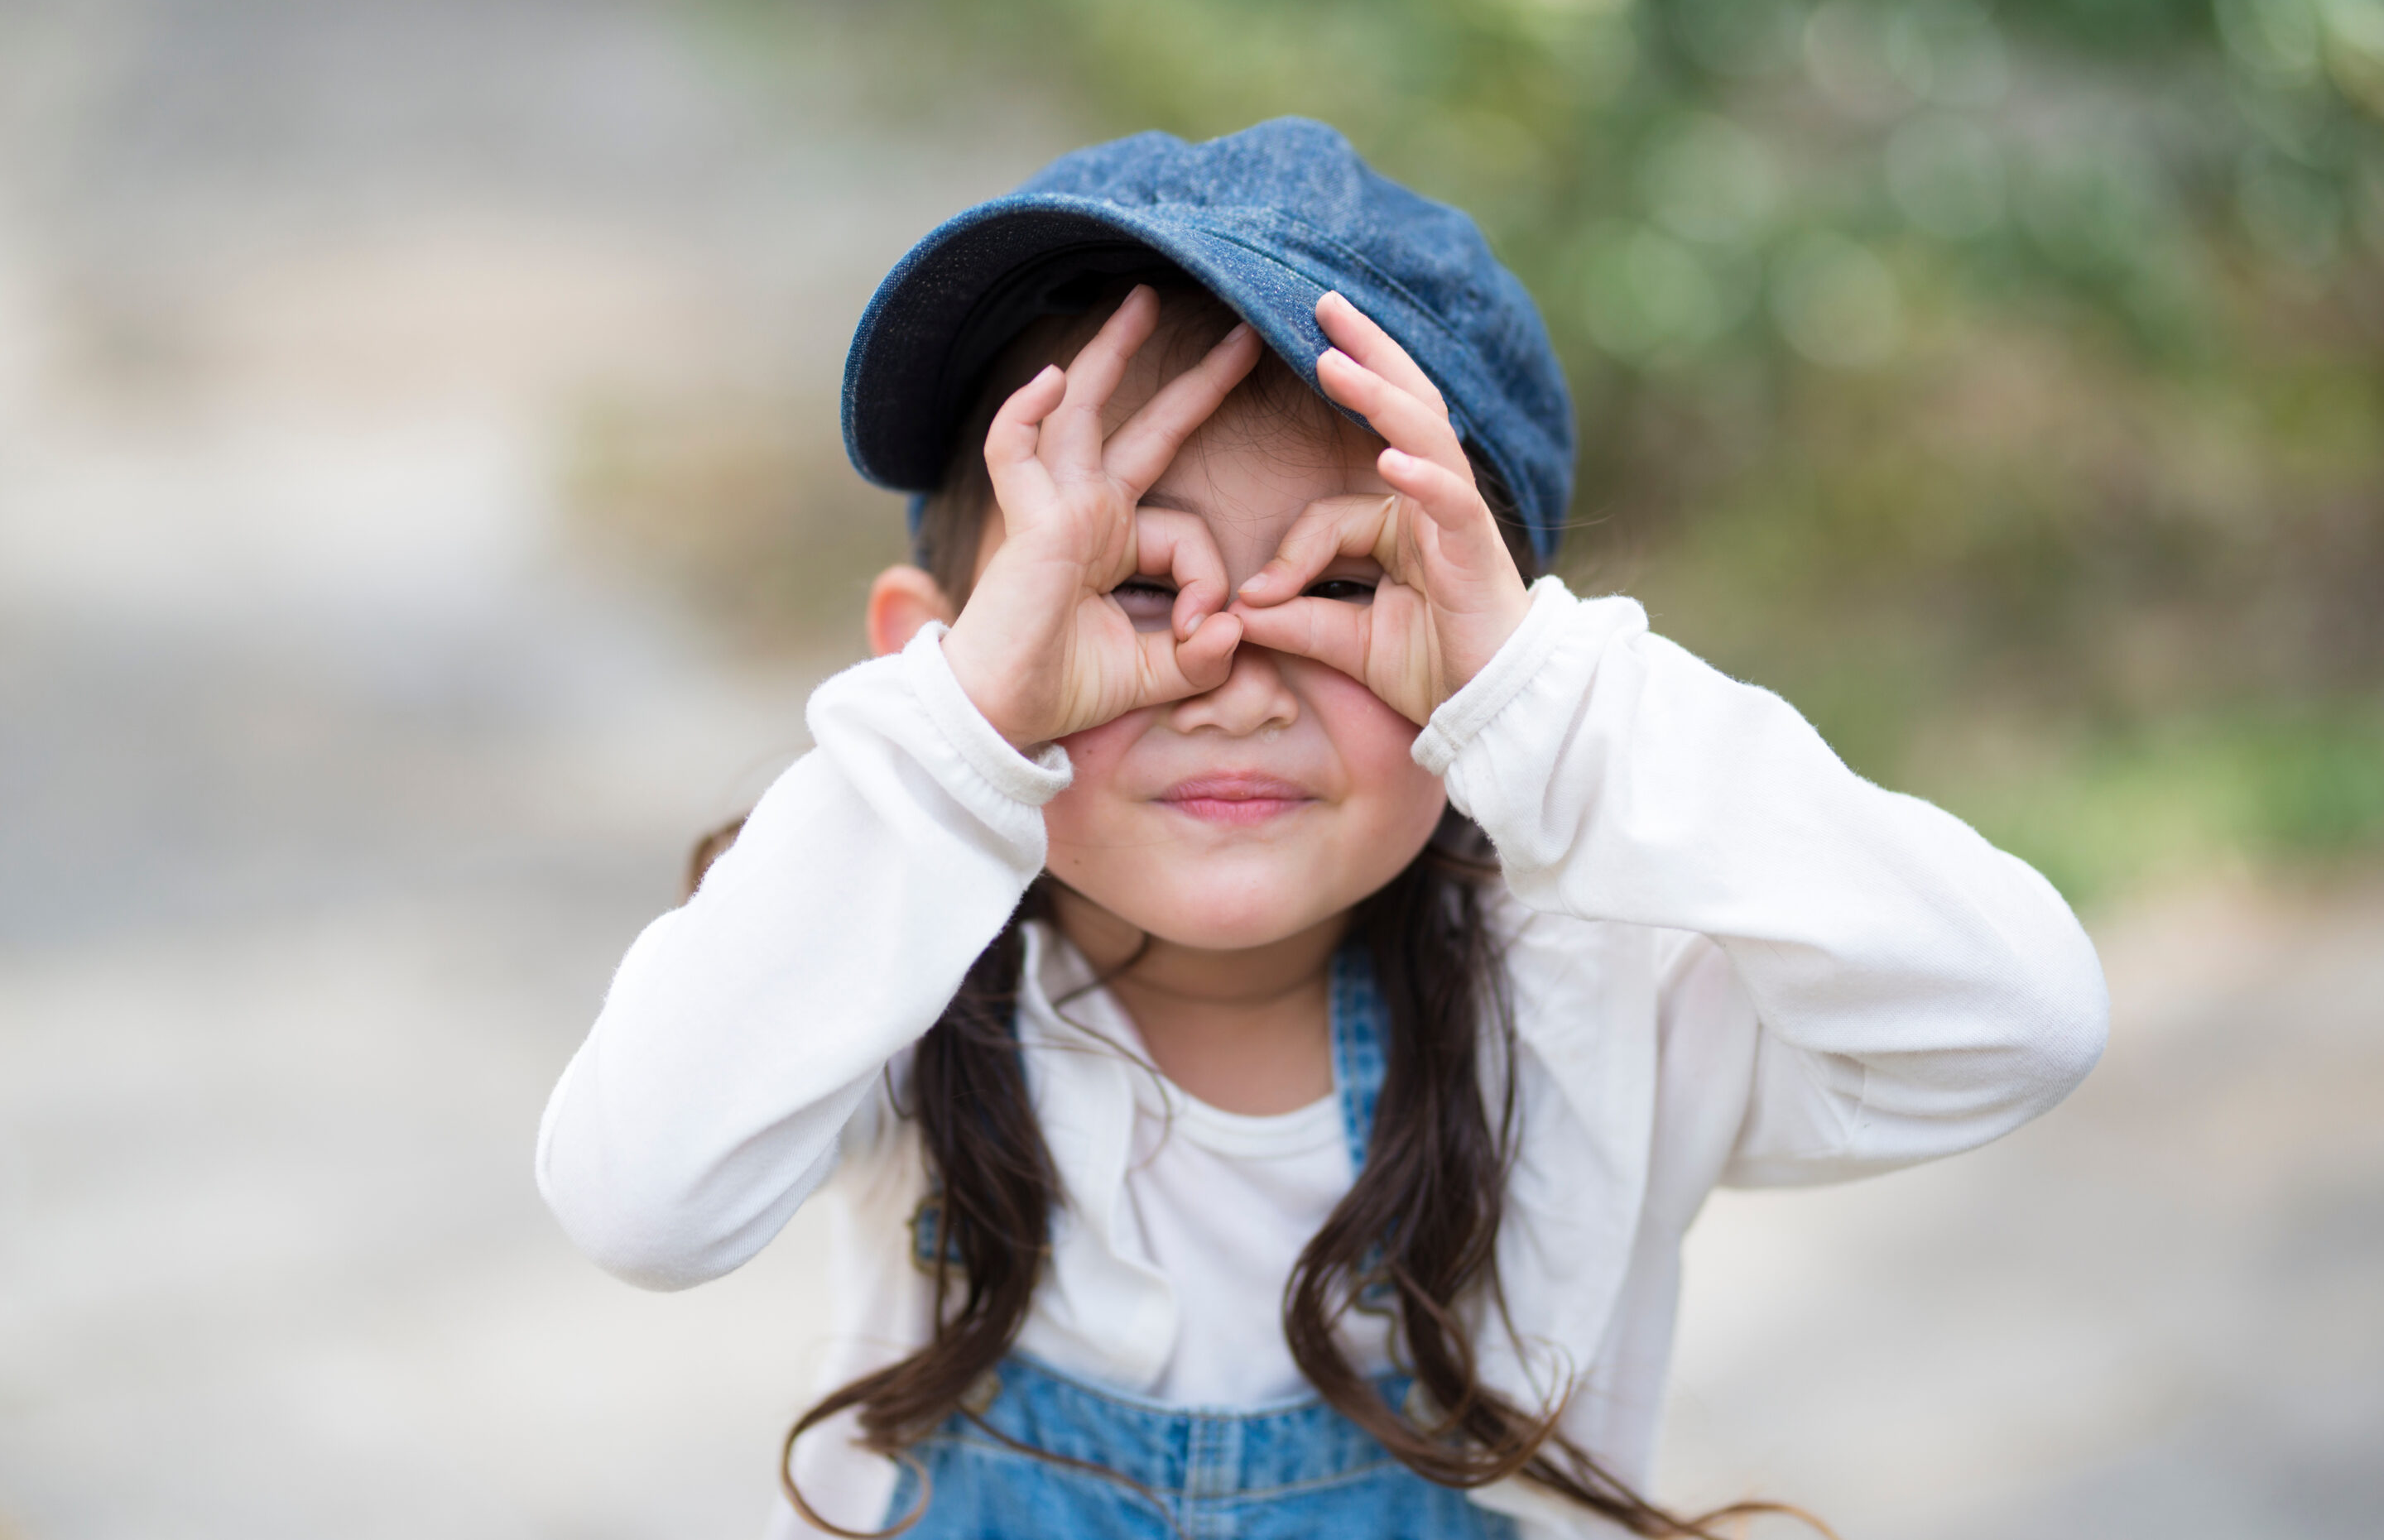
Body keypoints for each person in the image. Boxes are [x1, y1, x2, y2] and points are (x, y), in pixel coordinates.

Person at [536, 118, 2108, 1540]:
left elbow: (2019, 1018)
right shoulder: (885, 958)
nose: (1228, 677)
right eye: (1123, 587)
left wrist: (1551, 705)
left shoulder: (1597, 1001)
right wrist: (953, 745)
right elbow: (638, 1200)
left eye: (1345, 589)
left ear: (1489, 658)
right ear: (941, 661)